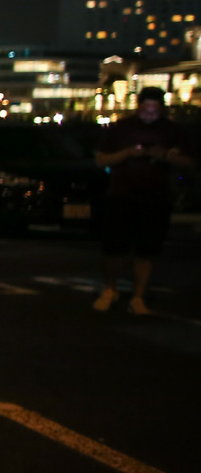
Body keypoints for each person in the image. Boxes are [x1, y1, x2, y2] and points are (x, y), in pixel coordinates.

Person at [93, 86, 191, 314]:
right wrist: (127, 154)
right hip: (121, 194)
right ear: (138, 106)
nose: (149, 113)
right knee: (113, 247)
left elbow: (190, 162)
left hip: (155, 196)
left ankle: (138, 295)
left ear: (162, 108)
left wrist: (166, 155)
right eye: (145, 108)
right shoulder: (121, 128)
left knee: (147, 249)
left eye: (154, 109)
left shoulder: (173, 131)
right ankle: (110, 288)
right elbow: (100, 159)